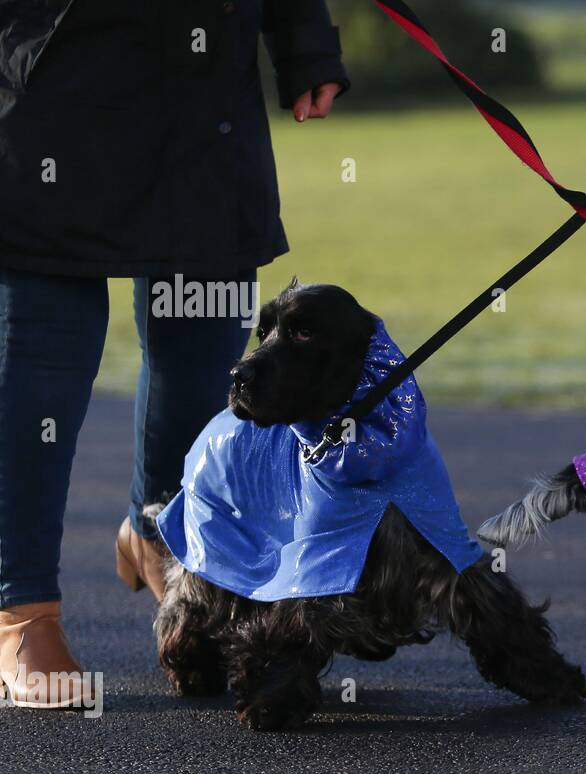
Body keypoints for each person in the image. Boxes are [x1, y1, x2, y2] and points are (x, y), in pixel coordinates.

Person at [0, 0, 349, 707]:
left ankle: (166, 537)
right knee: (45, 352)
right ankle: (22, 609)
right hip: (56, 67)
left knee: (208, 353)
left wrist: (304, 40)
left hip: (205, 82)